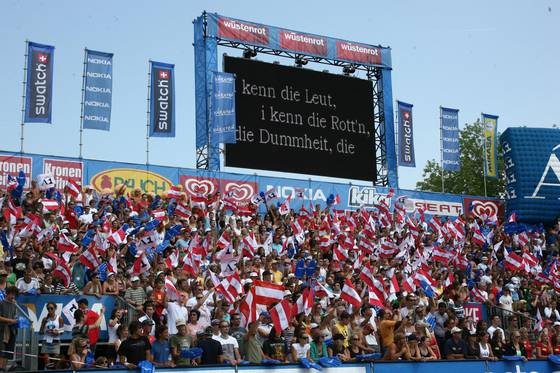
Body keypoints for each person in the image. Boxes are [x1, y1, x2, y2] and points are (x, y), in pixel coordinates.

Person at [39, 302, 63, 369]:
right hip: (46, 341)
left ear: (55, 309)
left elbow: (62, 331)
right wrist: (45, 331)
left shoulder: (59, 318)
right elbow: (40, 331)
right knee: (47, 361)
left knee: (56, 361)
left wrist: (56, 332)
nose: (50, 310)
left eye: (51, 308)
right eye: (48, 308)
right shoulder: (45, 319)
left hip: (55, 341)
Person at [0, 287, 18, 371]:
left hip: (12, 331)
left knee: (8, 352)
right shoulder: (2, 303)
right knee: (2, 351)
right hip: (3, 331)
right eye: (11, 294)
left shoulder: (15, 304)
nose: (13, 296)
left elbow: (16, 316)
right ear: (7, 293)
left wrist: (16, 320)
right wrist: (10, 320)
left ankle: (3, 369)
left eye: (14, 294)